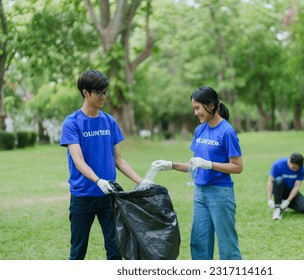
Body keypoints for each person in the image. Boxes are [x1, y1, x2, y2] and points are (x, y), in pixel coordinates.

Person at [151, 86, 243, 260]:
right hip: (200, 194)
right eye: (194, 108)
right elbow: (195, 165)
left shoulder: (227, 132)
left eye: (197, 108)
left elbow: (237, 167)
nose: (195, 113)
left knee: (227, 244)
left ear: (211, 105)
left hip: (220, 193)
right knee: (199, 243)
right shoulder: (200, 130)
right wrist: (170, 165)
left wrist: (210, 164)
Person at [60, 69, 143, 260]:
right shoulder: (72, 123)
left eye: (105, 92)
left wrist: (142, 181)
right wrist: (98, 181)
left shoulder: (109, 121)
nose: (103, 97)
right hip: (83, 197)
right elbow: (78, 160)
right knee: (78, 252)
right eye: (99, 93)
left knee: (115, 250)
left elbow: (119, 160)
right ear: (85, 92)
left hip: (109, 197)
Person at [266, 153, 304, 220]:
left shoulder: (302, 169)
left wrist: (288, 201)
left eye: (297, 168)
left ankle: (284, 203)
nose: (295, 170)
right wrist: (269, 199)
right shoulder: (278, 164)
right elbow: (270, 181)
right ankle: (277, 209)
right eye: (293, 167)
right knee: (278, 180)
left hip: (290, 190)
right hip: (278, 189)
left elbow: (296, 186)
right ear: (289, 161)